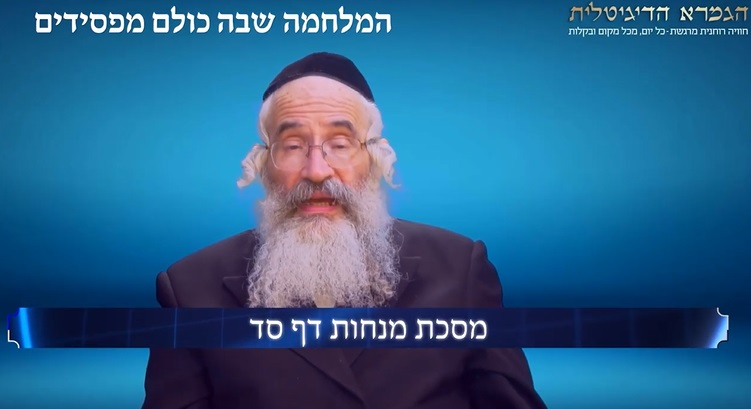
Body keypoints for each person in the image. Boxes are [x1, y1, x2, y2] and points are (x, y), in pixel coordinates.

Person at [142, 52, 547, 409]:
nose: (317, 171)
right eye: (293, 145)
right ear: (263, 165)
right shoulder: (189, 290)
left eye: (340, 143)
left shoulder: (460, 270)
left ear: (375, 160)